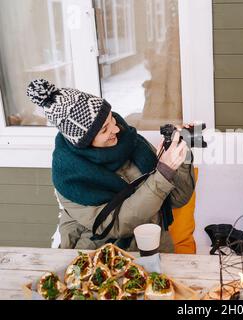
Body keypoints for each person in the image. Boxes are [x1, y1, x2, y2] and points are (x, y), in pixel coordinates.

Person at [26, 79, 195, 252]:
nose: (116, 129)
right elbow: (115, 225)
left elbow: (177, 198)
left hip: (151, 248)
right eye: (104, 129)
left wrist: (179, 152)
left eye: (111, 119)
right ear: (84, 141)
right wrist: (163, 172)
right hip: (100, 258)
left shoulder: (132, 142)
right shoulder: (68, 176)